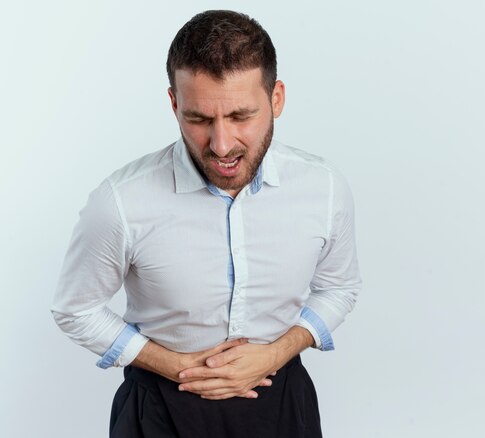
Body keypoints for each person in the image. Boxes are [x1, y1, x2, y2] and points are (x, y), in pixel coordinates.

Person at [51, 9, 361, 438]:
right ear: (175, 103)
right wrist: (174, 366)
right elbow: (75, 308)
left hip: (283, 405)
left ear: (277, 99)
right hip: (158, 409)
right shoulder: (120, 201)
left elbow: (338, 287)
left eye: (240, 117)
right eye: (198, 119)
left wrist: (276, 353)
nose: (221, 144)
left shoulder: (324, 188)